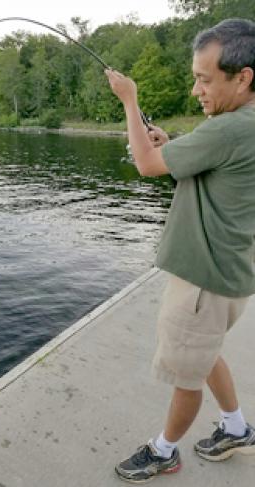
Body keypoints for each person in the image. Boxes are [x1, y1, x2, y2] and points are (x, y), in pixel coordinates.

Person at [105, 18, 255, 484]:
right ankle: (236, 428)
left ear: (243, 76)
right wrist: (174, 146)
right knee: (206, 355)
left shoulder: (230, 128)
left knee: (185, 377)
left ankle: (163, 452)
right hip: (230, 279)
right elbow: (211, 173)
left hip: (202, 285)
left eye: (205, 79)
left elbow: (148, 165)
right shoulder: (243, 126)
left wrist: (130, 101)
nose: (196, 90)